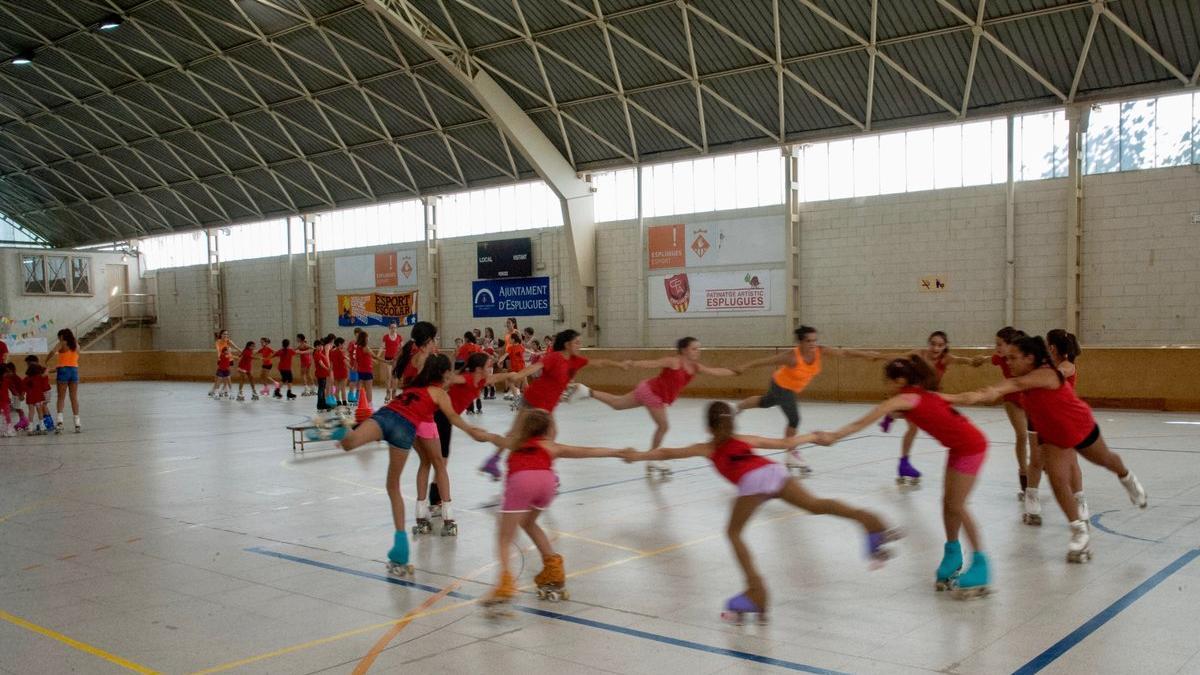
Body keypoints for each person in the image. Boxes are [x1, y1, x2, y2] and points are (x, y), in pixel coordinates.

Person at [622, 402, 901, 623]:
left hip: (753, 481)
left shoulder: (707, 448)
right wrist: (814, 436)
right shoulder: (743, 438)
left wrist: (638, 456)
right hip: (774, 471)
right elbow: (783, 445)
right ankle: (871, 523)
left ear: (708, 425)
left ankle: (757, 591)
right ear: (731, 422)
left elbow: (668, 454)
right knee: (817, 506)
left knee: (733, 534)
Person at [942, 335, 1147, 563]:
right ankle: (1079, 530)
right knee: (1058, 480)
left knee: (1106, 460)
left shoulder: (1046, 374)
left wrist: (956, 396)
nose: (1007, 362)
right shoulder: (1023, 377)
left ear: (1030, 358)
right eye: (1006, 357)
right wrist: (947, 398)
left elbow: (1014, 385)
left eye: (1013, 358)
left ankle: (1127, 478)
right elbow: (993, 391)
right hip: (1053, 435)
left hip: (1079, 425)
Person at [814, 357, 991, 598]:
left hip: (971, 447)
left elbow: (865, 419)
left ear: (899, 381)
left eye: (887, 381)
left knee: (957, 505)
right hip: (961, 446)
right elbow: (958, 399)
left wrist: (835, 435)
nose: (885, 386)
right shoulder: (925, 395)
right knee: (948, 504)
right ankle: (952, 554)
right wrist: (979, 395)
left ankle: (981, 565)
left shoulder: (904, 398)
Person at [338, 351, 488, 576]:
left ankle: (333, 426)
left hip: (385, 416)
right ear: (444, 374)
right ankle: (400, 550)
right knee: (393, 486)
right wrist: (472, 430)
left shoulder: (413, 387)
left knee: (349, 443)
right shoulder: (439, 393)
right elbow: (454, 418)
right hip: (403, 429)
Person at [478, 409, 632, 610]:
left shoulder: (514, 443)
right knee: (529, 522)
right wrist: (618, 452)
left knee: (504, 538)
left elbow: (489, 437)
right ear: (548, 429)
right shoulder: (551, 446)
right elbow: (586, 451)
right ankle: (553, 569)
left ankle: (505, 583)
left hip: (521, 481)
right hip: (547, 484)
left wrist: (469, 429)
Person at [573, 337, 738, 478]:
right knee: (663, 426)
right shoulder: (674, 361)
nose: (698, 351)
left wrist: (733, 372)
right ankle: (652, 458)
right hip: (652, 393)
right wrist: (632, 363)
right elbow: (652, 363)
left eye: (698, 349)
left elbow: (715, 371)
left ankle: (586, 391)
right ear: (684, 350)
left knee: (618, 404)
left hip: (648, 390)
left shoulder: (695, 367)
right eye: (694, 348)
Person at [733, 326, 884, 476]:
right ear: (800, 342)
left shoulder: (819, 351)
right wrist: (743, 366)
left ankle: (737, 407)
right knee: (794, 419)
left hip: (784, 385)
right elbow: (764, 362)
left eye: (814, 340)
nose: (813, 344)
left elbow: (844, 353)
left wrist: (866, 354)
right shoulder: (791, 356)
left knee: (765, 402)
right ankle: (791, 453)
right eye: (808, 341)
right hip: (782, 386)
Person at [478, 330, 625, 479]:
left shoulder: (575, 360)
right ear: (567, 345)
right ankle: (504, 462)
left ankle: (506, 462)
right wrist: (519, 375)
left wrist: (619, 364)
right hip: (535, 399)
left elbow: (598, 363)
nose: (579, 346)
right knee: (521, 434)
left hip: (548, 404)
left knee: (535, 434)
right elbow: (536, 366)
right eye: (577, 343)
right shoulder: (554, 357)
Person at [888, 331, 986, 485]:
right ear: (928, 343)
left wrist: (974, 361)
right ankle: (903, 462)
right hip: (914, 396)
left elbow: (964, 360)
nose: (935, 348)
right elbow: (897, 360)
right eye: (933, 344)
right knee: (913, 428)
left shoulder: (946, 359)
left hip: (931, 398)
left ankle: (893, 415)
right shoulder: (919, 354)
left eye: (940, 345)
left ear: (945, 346)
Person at [391, 322, 453, 535]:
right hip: (426, 416)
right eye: (434, 339)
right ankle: (448, 516)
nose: (435, 343)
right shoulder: (424, 359)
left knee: (425, 462)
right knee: (439, 464)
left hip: (409, 418)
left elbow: (402, 383)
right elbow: (437, 386)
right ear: (428, 341)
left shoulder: (408, 357)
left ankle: (420, 514)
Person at [428, 353, 508, 515]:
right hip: (440, 416)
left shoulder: (481, 381)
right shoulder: (468, 378)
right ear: (479, 369)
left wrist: (515, 375)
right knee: (440, 461)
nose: (491, 368)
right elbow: (453, 378)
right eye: (488, 365)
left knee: (442, 461)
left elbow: (499, 377)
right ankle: (435, 499)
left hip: (447, 419)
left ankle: (435, 498)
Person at [1023, 329, 1087, 526]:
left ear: (1052, 347)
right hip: (1039, 417)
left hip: (1063, 419)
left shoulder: (1066, 367)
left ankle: (1080, 500)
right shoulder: (1046, 365)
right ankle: (1031, 498)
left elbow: (1055, 376)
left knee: (1071, 461)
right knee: (1036, 459)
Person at [991, 327, 1030, 498]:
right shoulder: (999, 358)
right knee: (1022, 435)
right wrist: (979, 359)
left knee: (1040, 434)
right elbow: (991, 359)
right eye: (996, 344)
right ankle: (1024, 474)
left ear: (1011, 344)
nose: (997, 348)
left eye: (1000, 344)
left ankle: (1040, 463)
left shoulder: (1025, 356)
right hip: (1011, 399)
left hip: (1029, 396)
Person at [46, 329, 82, 433]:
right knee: (74, 397)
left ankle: (60, 422)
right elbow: (74, 359)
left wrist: (46, 360)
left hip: (63, 371)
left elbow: (52, 352)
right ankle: (77, 423)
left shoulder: (62, 343)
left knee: (61, 397)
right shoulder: (76, 345)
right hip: (74, 371)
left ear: (62, 336)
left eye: (59, 336)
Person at [23, 356, 52, 434]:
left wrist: (21, 395)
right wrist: (48, 369)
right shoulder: (39, 377)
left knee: (31, 412)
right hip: (38, 398)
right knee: (40, 412)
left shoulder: (26, 379)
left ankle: (30, 428)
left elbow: (23, 388)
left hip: (30, 399)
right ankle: (42, 427)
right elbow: (45, 374)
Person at [353, 331, 378, 406]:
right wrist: (387, 361)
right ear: (365, 338)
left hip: (361, 371)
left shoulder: (358, 347)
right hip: (367, 371)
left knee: (363, 388)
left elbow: (360, 358)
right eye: (367, 337)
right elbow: (375, 356)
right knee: (369, 389)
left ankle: (363, 403)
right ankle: (369, 404)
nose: (368, 338)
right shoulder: (366, 348)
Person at [3, 362, 28, 432]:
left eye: (9, 372)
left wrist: (22, 395)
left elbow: (23, 387)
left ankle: (24, 420)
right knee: (16, 408)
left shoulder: (16, 378)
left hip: (18, 395)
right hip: (15, 395)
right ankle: (23, 419)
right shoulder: (7, 377)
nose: (7, 373)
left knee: (18, 408)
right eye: (6, 372)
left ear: (13, 371)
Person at [209, 329, 234, 397]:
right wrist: (219, 356)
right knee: (218, 376)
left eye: (227, 334)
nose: (225, 335)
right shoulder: (218, 342)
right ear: (221, 335)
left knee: (226, 376)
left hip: (229, 360)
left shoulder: (228, 341)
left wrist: (241, 352)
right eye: (224, 334)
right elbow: (218, 350)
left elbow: (235, 347)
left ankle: (224, 390)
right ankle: (215, 389)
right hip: (221, 359)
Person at [382, 322, 403, 403]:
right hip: (388, 359)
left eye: (394, 327)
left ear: (396, 328)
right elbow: (382, 347)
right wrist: (377, 357)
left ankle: (394, 393)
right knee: (388, 376)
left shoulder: (399, 337)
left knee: (395, 377)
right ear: (389, 328)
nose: (393, 329)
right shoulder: (386, 337)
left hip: (396, 359)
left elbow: (402, 349)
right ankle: (388, 393)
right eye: (391, 327)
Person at [313, 337, 331, 411]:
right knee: (321, 389)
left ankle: (323, 403)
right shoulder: (317, 354)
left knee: (322, 389)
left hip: (323, 373)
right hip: (320, 374)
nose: (321, 347)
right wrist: (327, 368)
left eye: (322, 346)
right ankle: (320, 404)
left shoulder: (320, 353)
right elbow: (321, 363)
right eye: (319, 346)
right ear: (316, 347)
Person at [330, 337, 349, 406]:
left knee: (337, 388)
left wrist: (330, 371)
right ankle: (344, 402)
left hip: (336, 372)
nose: (344, 345)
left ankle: (338, 401)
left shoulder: (332, 352)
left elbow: (331, 363)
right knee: (343, 388)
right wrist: (351, 367)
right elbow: (344, 361)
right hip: (342, 371)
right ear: (340, 344)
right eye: (343, 344)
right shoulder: (340, 352)